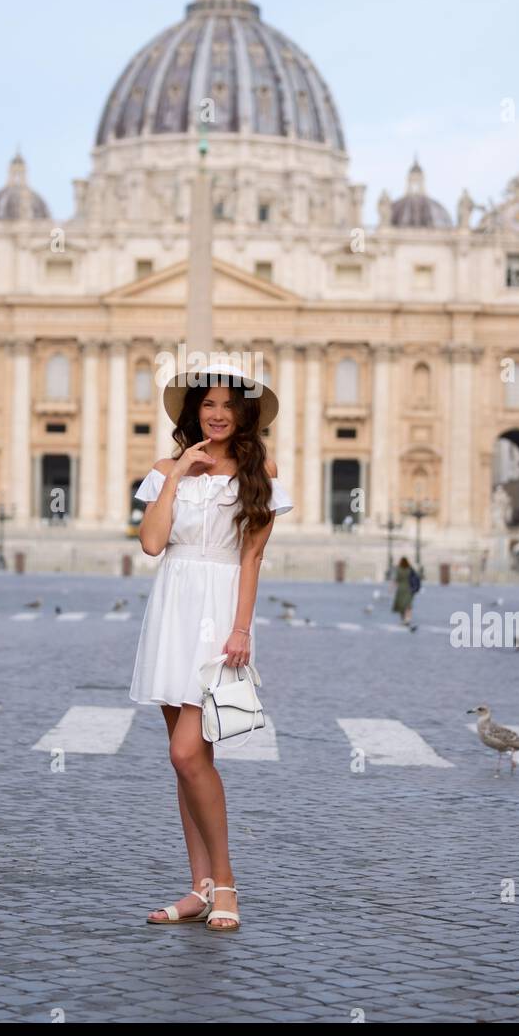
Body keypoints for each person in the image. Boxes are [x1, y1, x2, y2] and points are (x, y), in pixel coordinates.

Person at [129, 363, 293, 932]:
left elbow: (251, 558)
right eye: (207, 405)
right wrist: (178, 473)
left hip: (219, 613)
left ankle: (225, 882)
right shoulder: (165, 470)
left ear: (244, 414)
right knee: (189, 762)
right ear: (193, 412)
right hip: (171, 608)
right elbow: (151, 545)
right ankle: (198, 888)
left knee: (185, 752)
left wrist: (242, 628)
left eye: (227, 405)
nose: (217, 413)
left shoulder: (259, 470)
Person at [392, 555, 418, 626]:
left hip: (400, 589)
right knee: (408, 605)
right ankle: (408, 619)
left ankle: (403, 619)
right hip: (409, 589)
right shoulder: (409, 569)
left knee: (401, 606)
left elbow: (396, 580)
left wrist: (392, 588)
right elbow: (415, 578)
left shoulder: (399, 569)